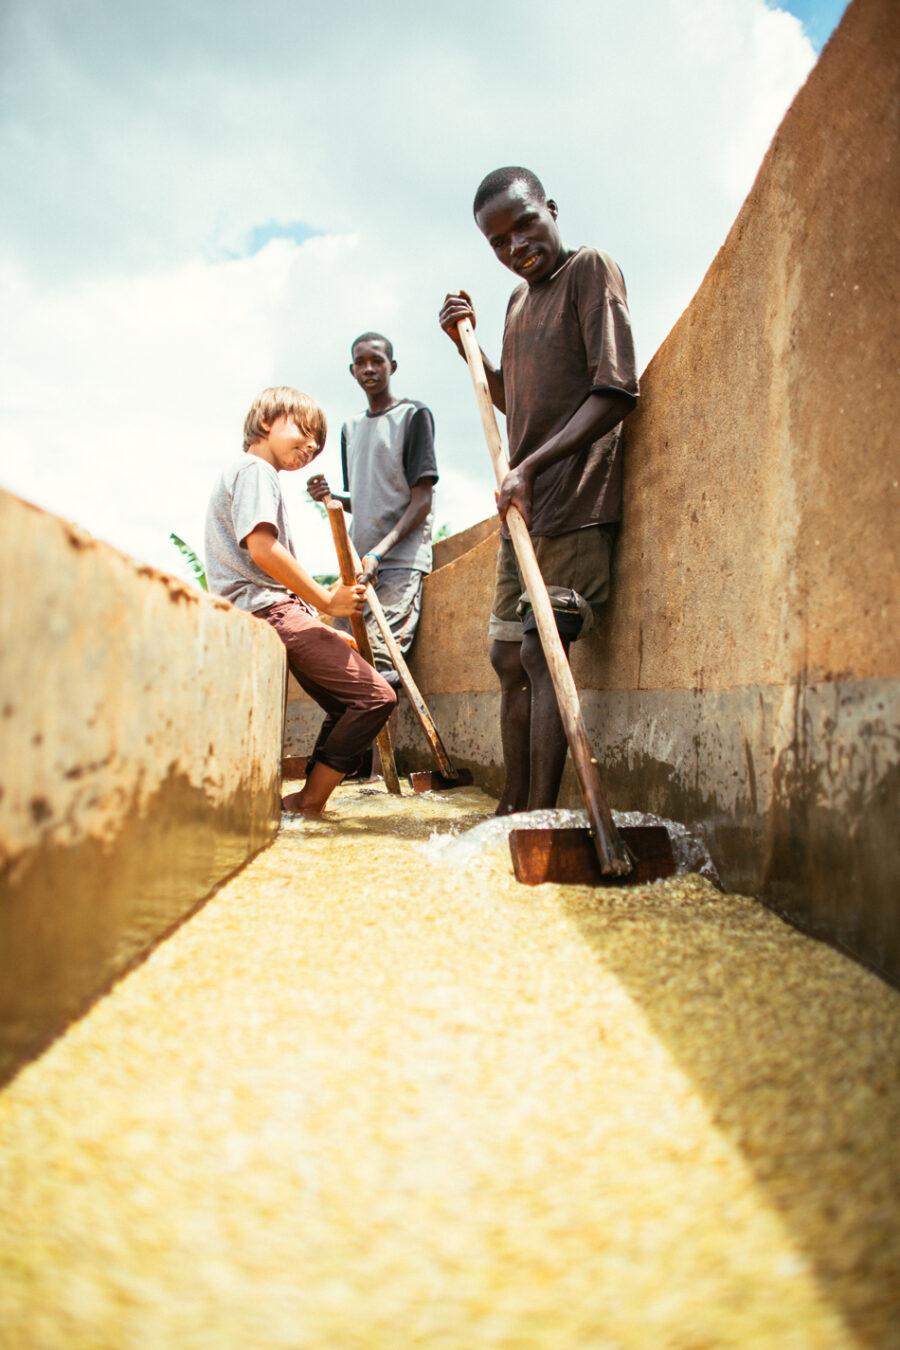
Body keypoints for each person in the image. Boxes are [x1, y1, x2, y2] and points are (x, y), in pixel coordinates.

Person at [438, 166, 638, 816]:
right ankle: (510, 811)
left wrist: (533, 466)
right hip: (522, 511)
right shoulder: (518, 303)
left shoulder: (590, 270)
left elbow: (615, 393)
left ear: (551, 209)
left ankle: (540, 819)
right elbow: (513, 401)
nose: (517, 244)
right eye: (498, 241)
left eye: (525, 223)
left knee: (541, 650)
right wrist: (467, 353)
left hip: (576, 504)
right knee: (505, 658)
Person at [204, 386, 396, 816]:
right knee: (375, 698)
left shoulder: (247, 472)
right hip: (270, 612)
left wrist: (319, 626)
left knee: (346, 703)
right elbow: (262, 550)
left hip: (272, 612)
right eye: (304, 432)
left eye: (318, 443)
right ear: (267, 421)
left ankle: (303, 799)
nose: (311, 446)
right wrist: (327, 601)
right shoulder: (255, 470)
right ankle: (308, 802)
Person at [306, 331, 438, 688]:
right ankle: (355, 747)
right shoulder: (350, 428)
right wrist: (331, 497)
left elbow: (421, 500)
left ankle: (384, 748)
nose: (369, 368)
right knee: (343, 659)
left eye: (377, 361)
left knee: (382, 665)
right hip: (358, 568)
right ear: (352, 371)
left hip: (397, 564)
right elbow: (364, 500)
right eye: (361, 362)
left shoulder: (414, 415)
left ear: (391, 366)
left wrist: (379, 554)